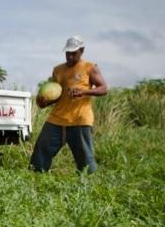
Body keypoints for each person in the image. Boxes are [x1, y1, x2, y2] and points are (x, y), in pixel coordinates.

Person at [30, 35, 108, 173]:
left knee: (85, 159)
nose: (70, 56)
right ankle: (35, 178)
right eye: (68, 53)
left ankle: (89, 184)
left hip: (80, 119)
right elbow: (56, 94)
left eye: (74, 53)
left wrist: (84, 92)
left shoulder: (89, 67)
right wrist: (44, 102)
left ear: (81, 51)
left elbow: (103, 89)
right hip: (57, 119)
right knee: (41, 150)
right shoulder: (58, 70)